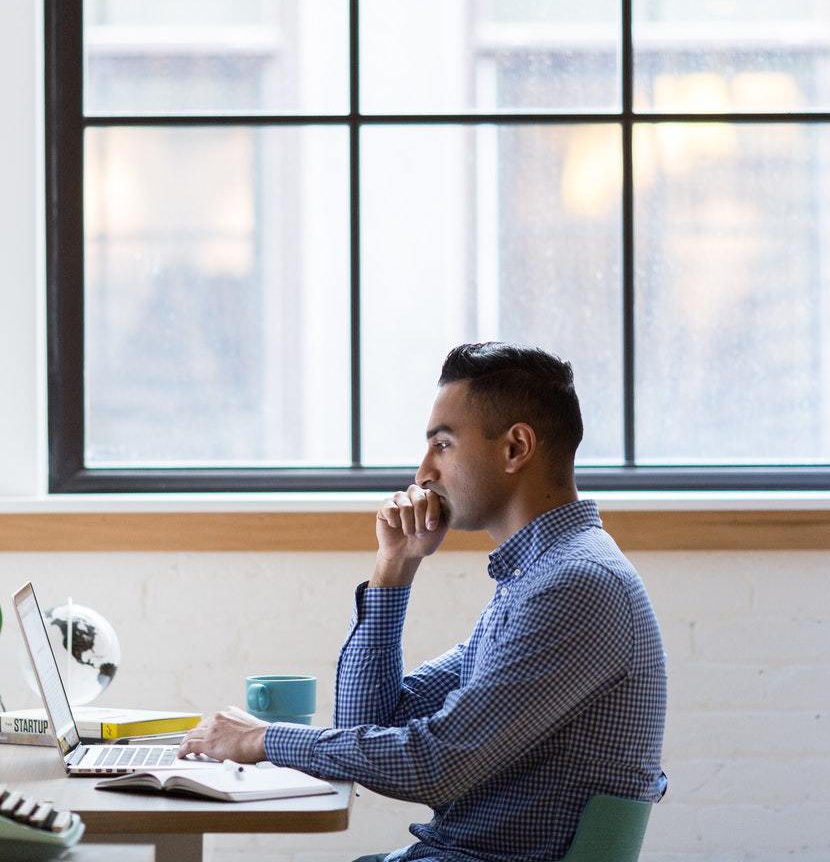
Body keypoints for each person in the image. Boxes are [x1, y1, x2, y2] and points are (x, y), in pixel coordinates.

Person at [180, 342, 667, 862]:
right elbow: (368, 724)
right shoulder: (535, 579)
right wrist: (395, 567)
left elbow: (436, 765)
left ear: (515, 448)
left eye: (443, 445)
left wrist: (263, 740)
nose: (422, 473)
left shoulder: (574, 585)